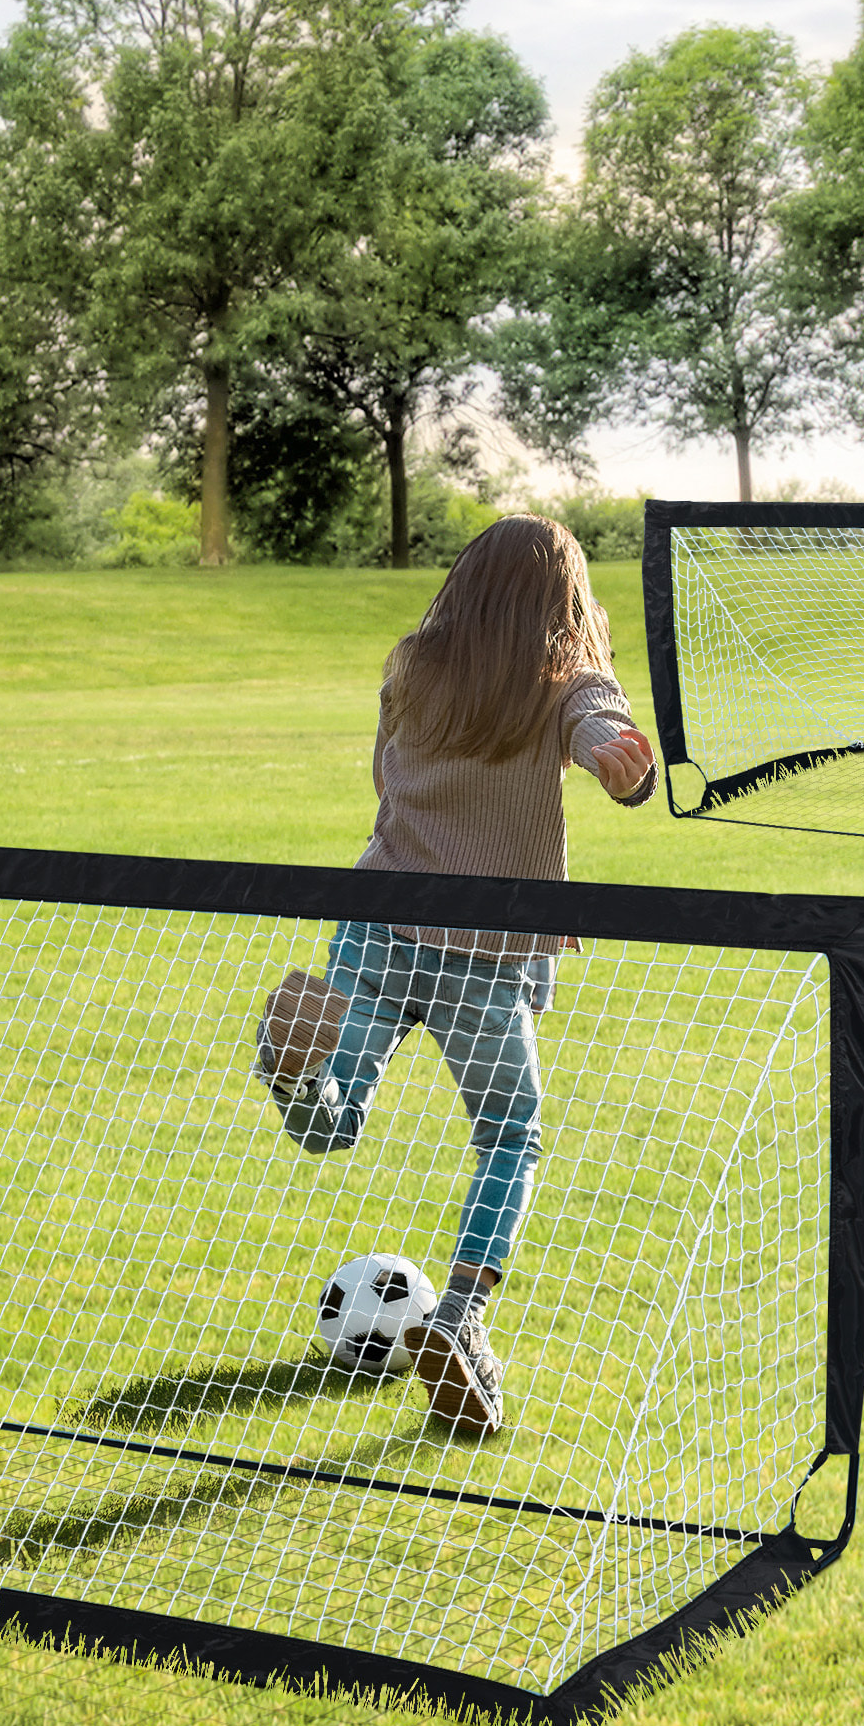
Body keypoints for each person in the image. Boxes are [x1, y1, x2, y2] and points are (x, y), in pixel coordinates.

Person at [261, 515, 655, 1436]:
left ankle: (294, 1077)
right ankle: (461, 1316)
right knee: (511, 1137)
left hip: (375, 922)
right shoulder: (564, 680)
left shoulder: (414, 667)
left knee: (337, 1118)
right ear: (564, 600)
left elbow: (387, 780)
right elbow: (603, 729)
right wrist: (618, 766)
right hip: (483, 954)